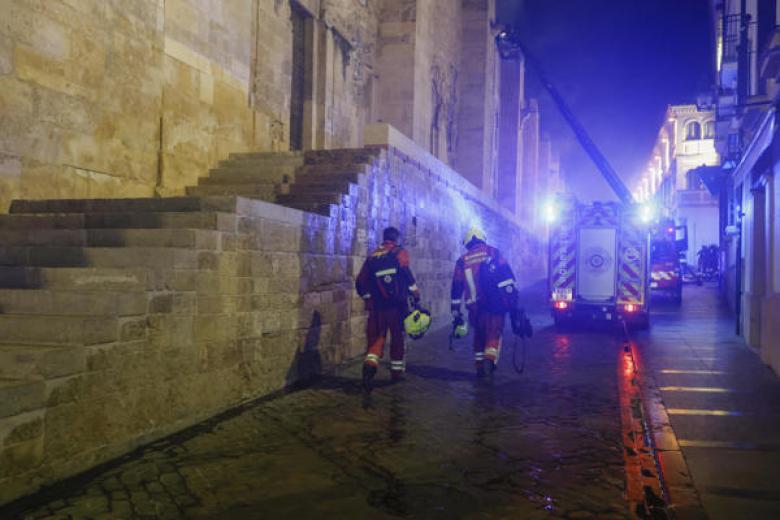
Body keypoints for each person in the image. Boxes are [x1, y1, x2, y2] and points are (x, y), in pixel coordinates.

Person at [355, 226, 421, 392]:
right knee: (397, 337)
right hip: (397, 306)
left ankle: (368, 369)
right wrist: (415, 294)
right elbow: (406, 274)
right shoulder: (400, 252)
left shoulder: (372, 256)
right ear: (396, 239)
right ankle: (396, 373)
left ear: (384, 238)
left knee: (376, 339)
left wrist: (369, 299)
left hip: (378, 308)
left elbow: (360, 282)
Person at [450, 226, 519, 378]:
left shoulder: (462, 261)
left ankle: (480, 367)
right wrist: (513, 302)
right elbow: (507, 277)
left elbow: (457, 286)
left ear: (468, 243)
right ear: (482, 239)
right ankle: (489, 361)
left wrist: (455, 309)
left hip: (474, 308)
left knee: (479, 336)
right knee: (493, 334)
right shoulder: (494, 253)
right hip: (495, 306)